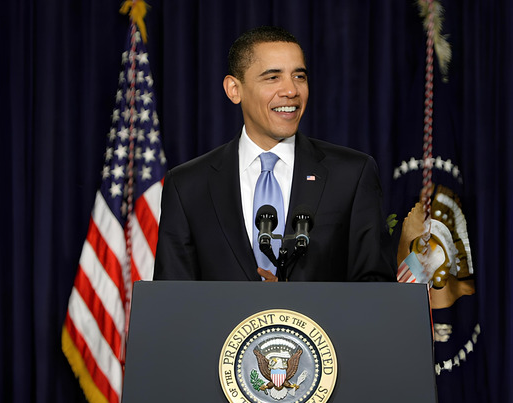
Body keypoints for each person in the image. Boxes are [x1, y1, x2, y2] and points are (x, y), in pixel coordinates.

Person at [153, 26, 394, 282]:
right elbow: (173, 302)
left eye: (299, 77)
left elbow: (376, 291)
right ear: (234, 89)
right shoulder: (188, 185)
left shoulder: (352, 175)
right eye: (273, 78)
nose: (291, 90)